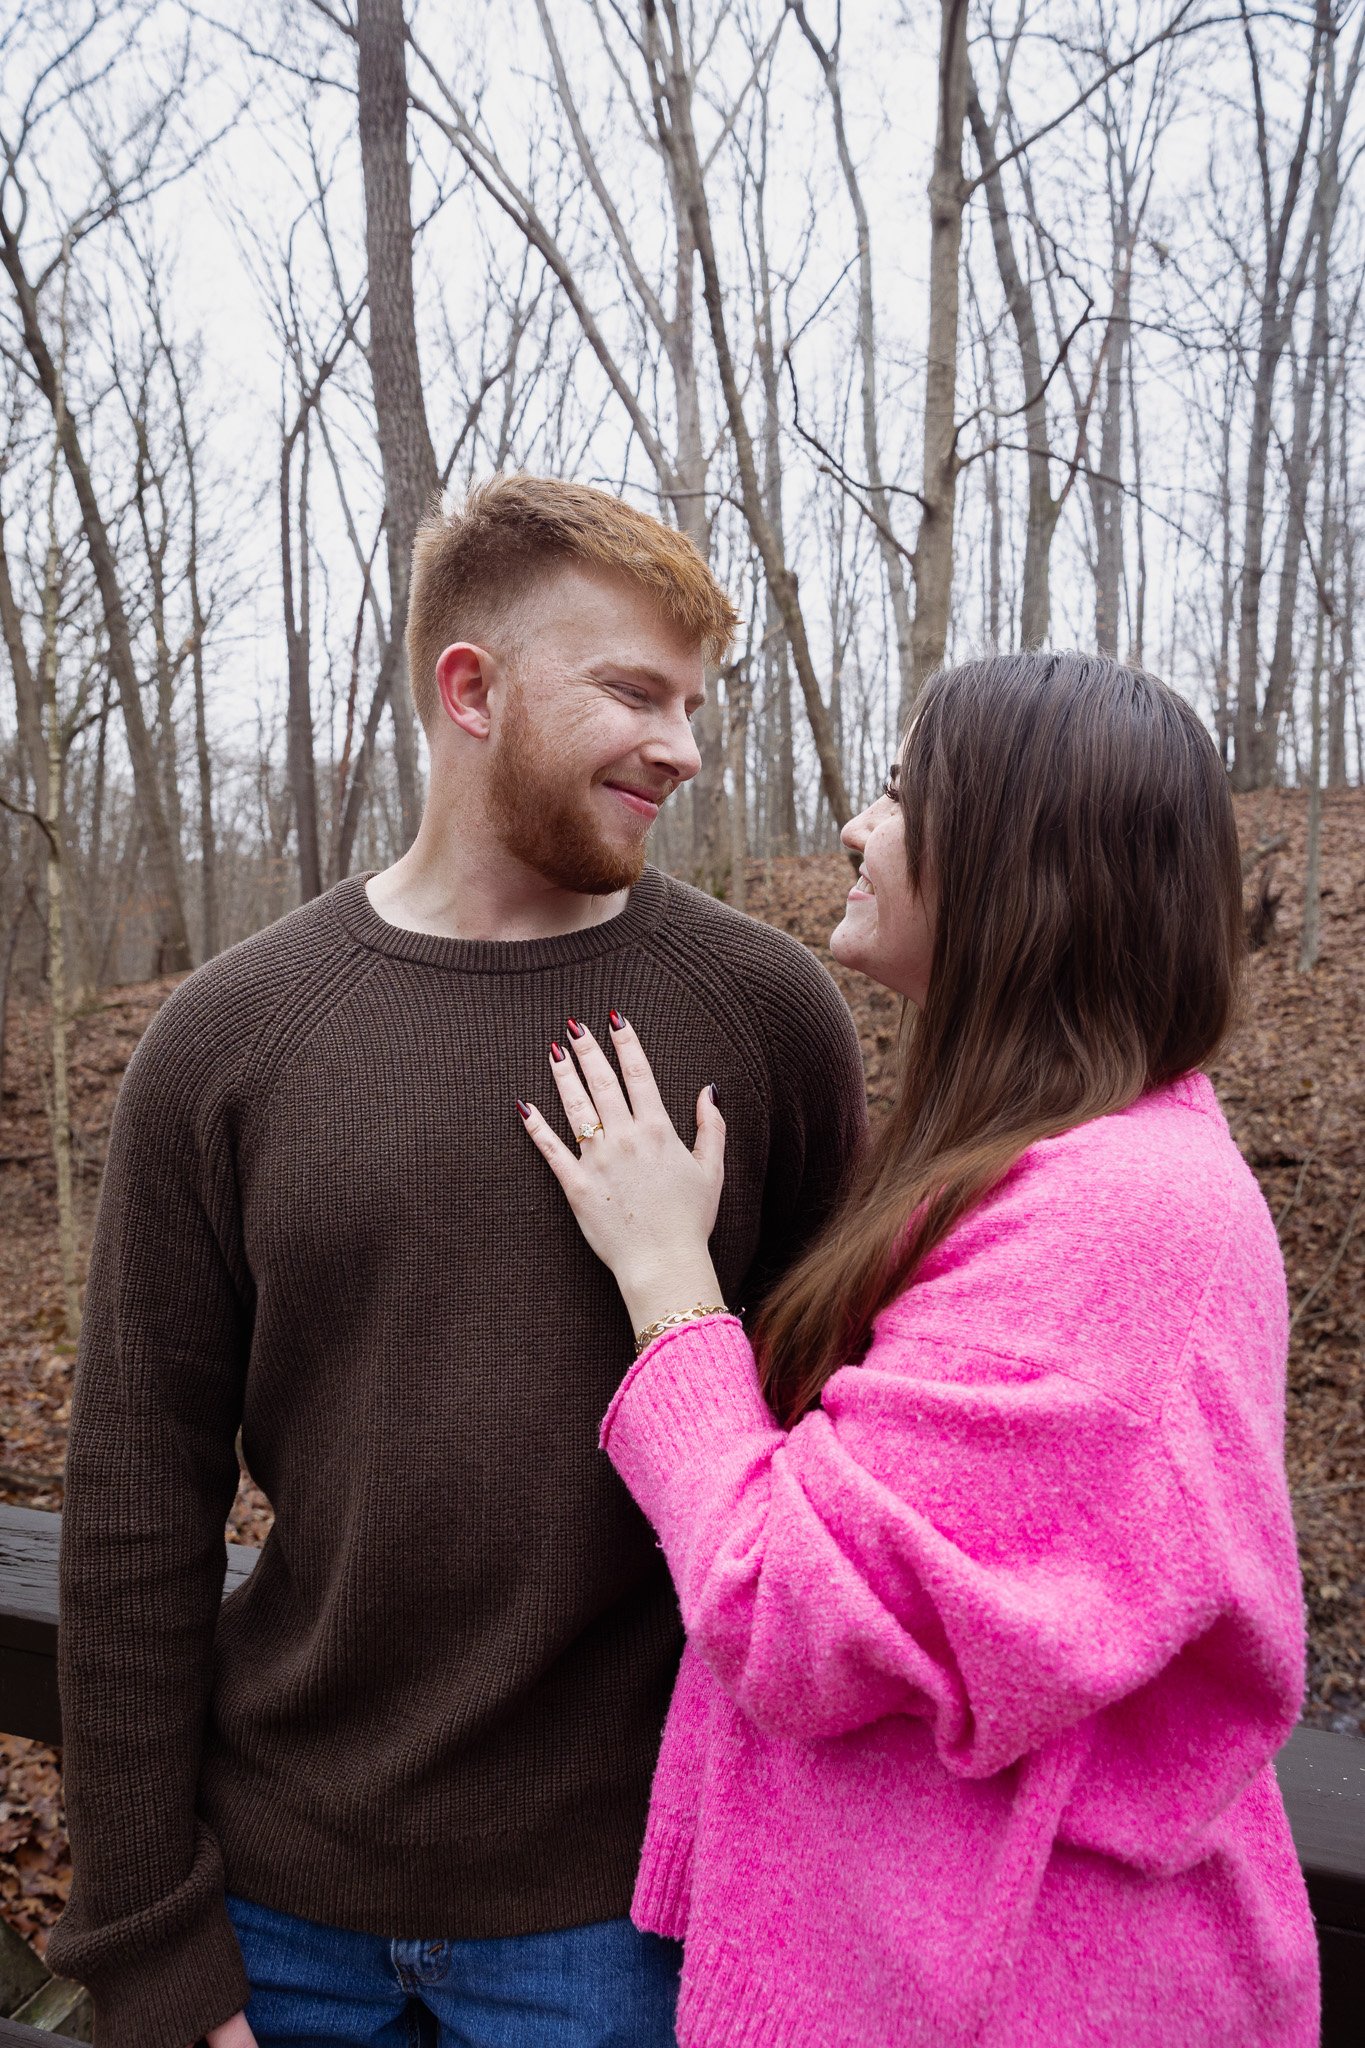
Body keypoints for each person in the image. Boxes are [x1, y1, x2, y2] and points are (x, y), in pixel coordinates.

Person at [48, 475, 867, 2048]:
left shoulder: (765, 1017)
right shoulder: (228, 1041)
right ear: (469, 689)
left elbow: (841, 1473)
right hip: (278, 1910)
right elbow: (135, 1509)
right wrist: (150, 1947)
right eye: (632, 691)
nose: (682, 748)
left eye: (695, 703)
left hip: (629, 1917)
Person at [522, 650, 1321, 2048]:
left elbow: (789, 1607)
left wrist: (665, 1283)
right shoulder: (1059, 1166)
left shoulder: (1120, 1220)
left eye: (897, 794)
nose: (855, 826)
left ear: (1021, 860)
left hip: (1018, 1995)